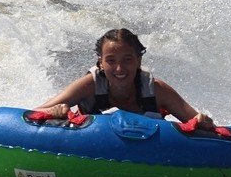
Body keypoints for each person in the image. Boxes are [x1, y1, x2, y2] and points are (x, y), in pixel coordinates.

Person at [36, 28, 215, 130]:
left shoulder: (157, 90)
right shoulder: (89, 85)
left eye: (127, 60)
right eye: (111, 61)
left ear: (138, 61)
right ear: (101, 63)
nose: (119, 68)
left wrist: (204, 122)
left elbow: (198, 123)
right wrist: (55, 112)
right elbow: (35, 112)